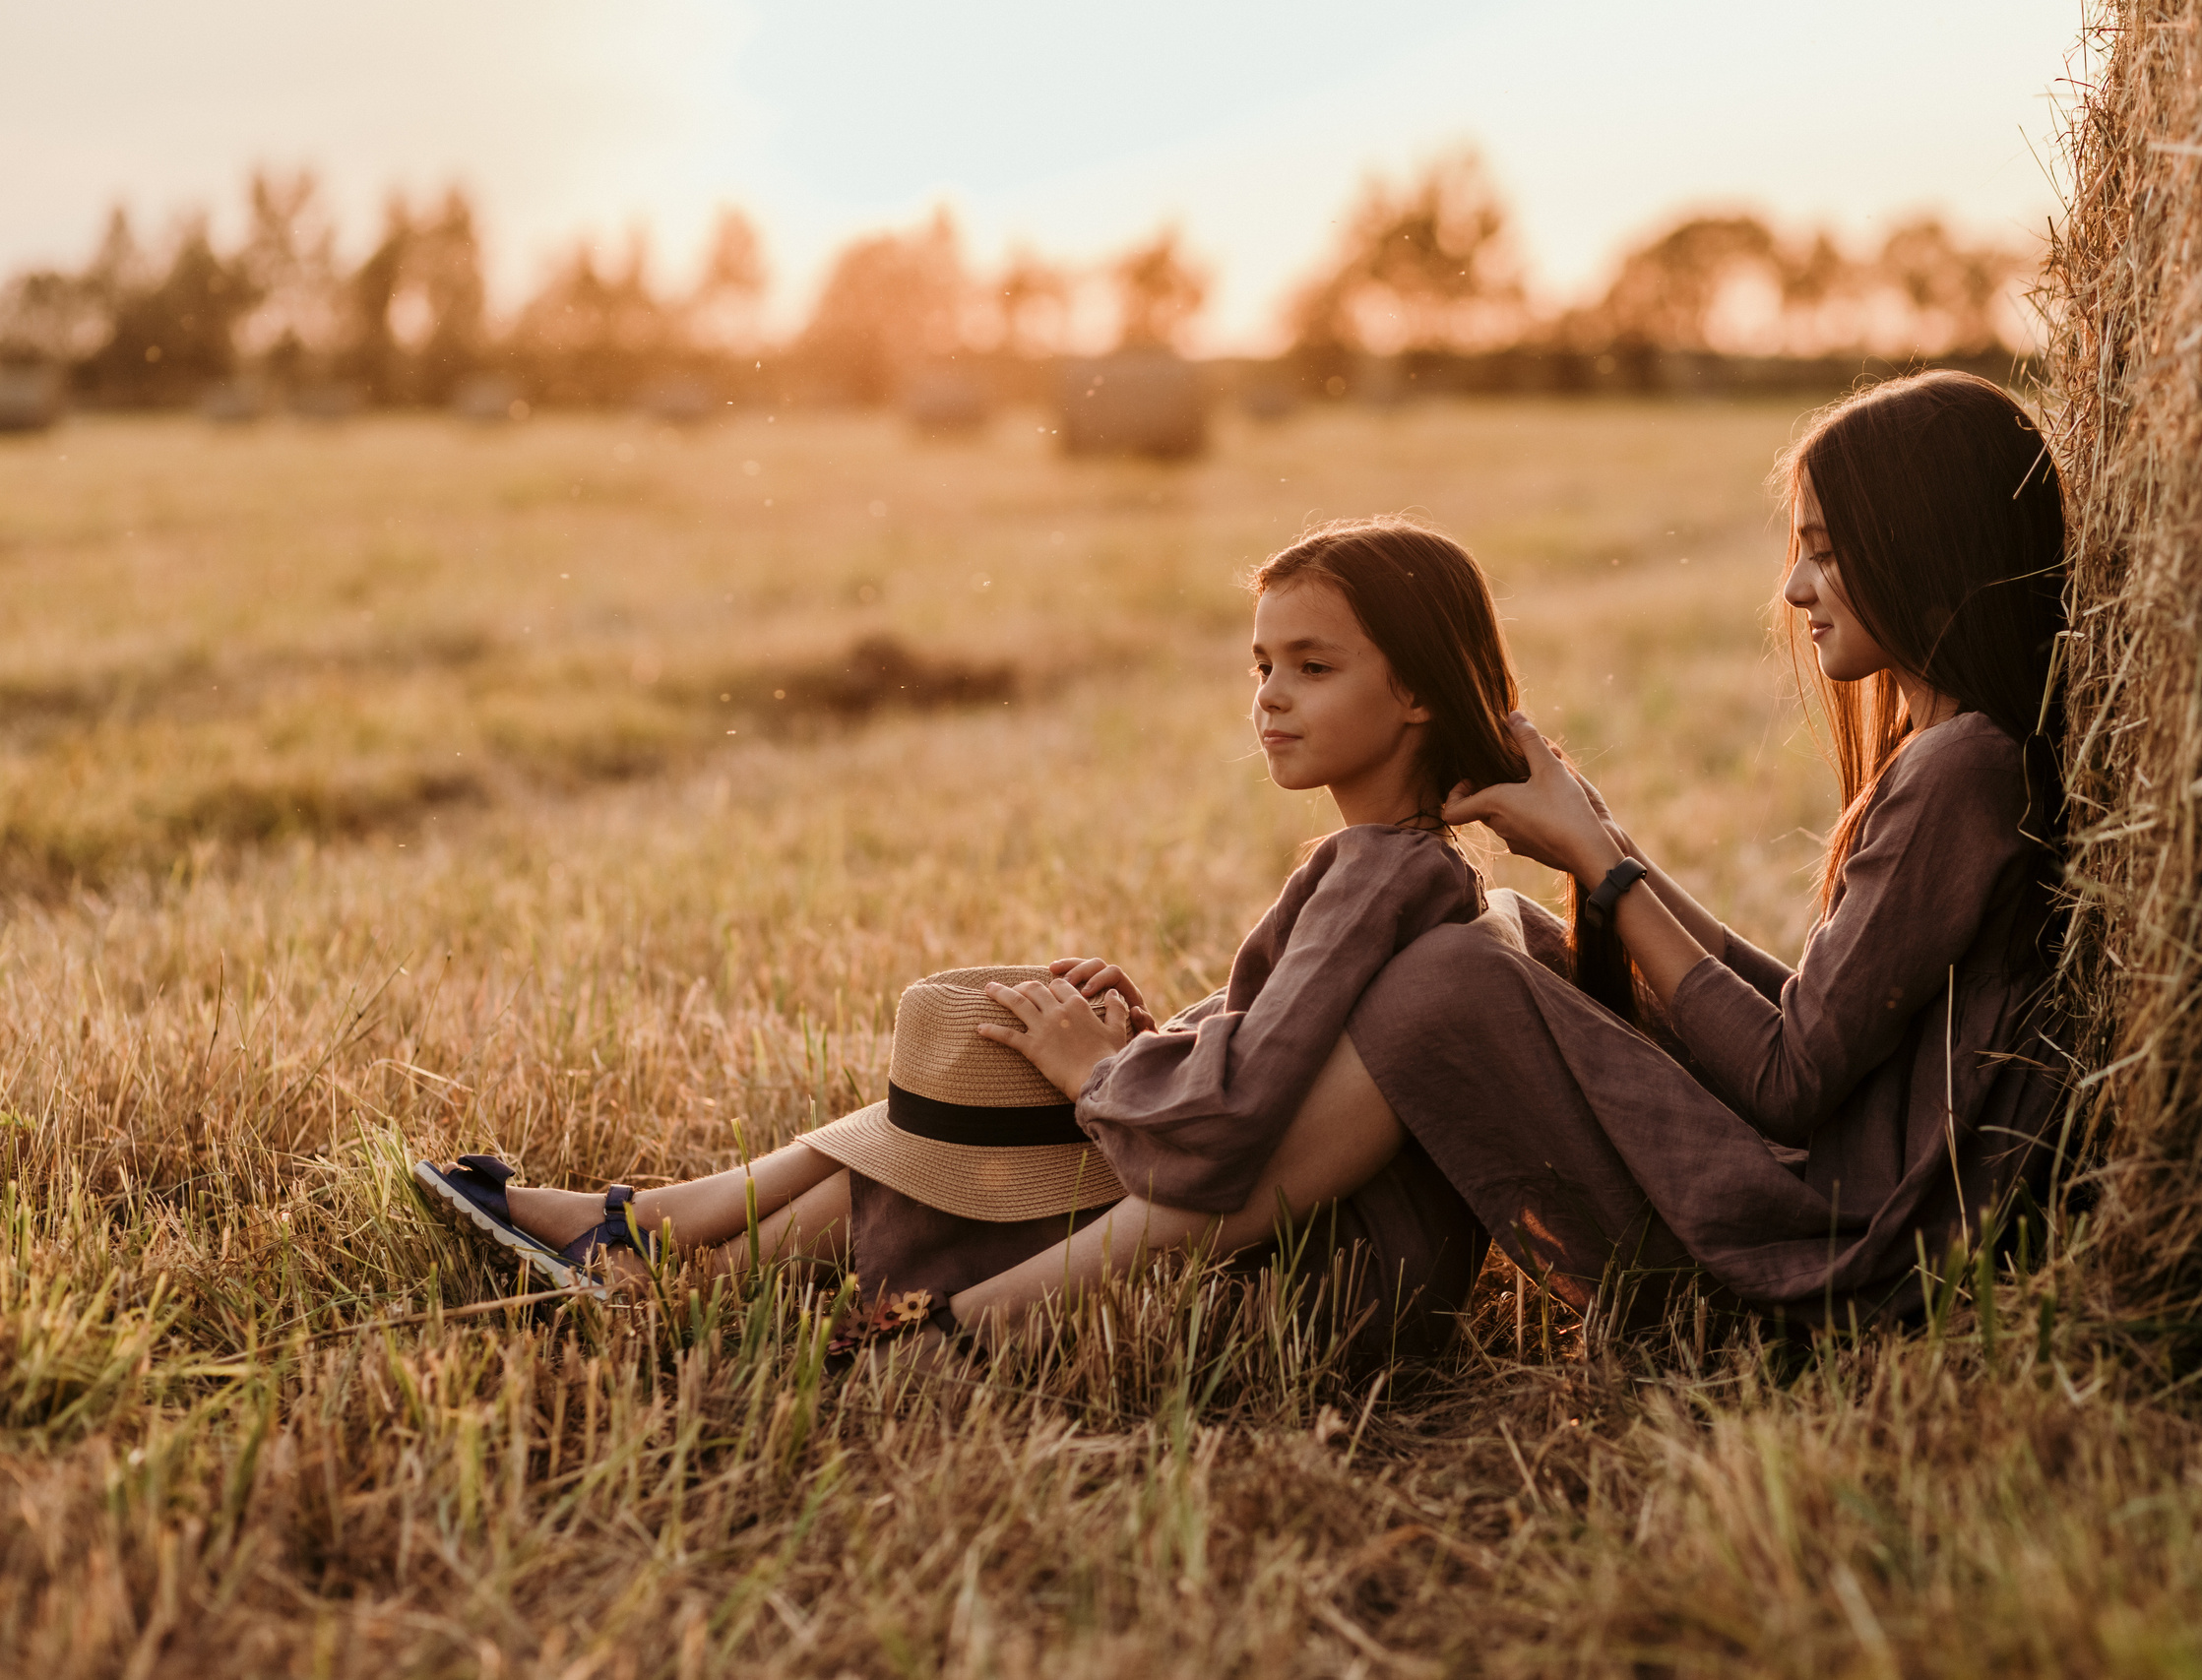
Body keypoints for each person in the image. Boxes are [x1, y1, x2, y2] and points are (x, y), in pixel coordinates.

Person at [947, 368, 2071, 1340]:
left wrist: (1602, 864)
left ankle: (1011, 1303)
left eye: (1827, 553)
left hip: (1832, 1256)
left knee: (1446, 981)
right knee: (1508, 937)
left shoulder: (1960, 768)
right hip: (1832, 1210)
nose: (1794, 588)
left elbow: (1789, 1077)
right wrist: (1602, 846)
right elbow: (1813, 1017)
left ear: (1921, 544)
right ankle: (1128, 1181)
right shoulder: (1950, 755)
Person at [414, 516, 1540, 1354]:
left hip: (1302, 1279)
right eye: (1261, 666)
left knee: (964, 1131)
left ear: (1419, 695)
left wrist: (1095, 1066)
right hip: (1300, 1237)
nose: (1270, 697)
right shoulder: (1390, 868)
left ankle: (640, 1244)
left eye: (1313, 665)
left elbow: (1234, 1127)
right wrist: (1147, 1035)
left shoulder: (1380, 874)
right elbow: (1277, 1063)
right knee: (968, 1088)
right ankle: (645, 1236)